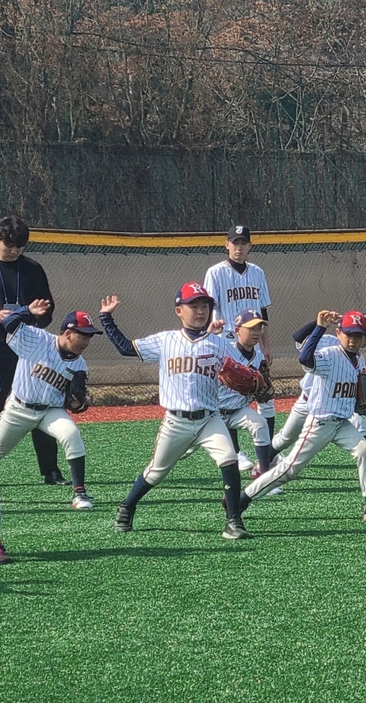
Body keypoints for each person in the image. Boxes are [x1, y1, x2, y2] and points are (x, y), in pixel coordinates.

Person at [99, 283, 250, 539]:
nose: (201, 311)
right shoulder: (165, 340)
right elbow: (126, 347)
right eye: (194, 306)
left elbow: (243, 371)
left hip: (209, 419)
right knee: (156, 473)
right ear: (179, 310)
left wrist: (254, 380)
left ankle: (233, 521)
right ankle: (127, 505)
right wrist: (106, 318)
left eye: (205, 306)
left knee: (230, 460)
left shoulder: (218, 343)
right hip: (176, 422)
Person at [239, 310, 366, 523]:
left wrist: (359, 402)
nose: (353, 340)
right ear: (339, 333)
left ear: (365, 338)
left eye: (358, 336)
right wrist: (319, 328)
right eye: (349, 335)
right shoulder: (330, 355)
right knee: (290, 469)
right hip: (319, 422)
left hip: (342, 423)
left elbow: (353, 397)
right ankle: (244, 498)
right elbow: (306, 359)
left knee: (364, 450)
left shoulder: (359, 361)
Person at [0, 305, 99, 564]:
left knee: (71, 433)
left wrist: (78, 403)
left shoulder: (80, 363)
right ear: (67, 332)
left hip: (50, 411)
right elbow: (9, 325)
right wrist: (26, 310)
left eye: (89, 336)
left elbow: (75, 401)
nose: (87, 341)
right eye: (83, 335)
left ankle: (79, 493)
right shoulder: (37, 339)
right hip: (19, 409)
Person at [0, 216, 66, 485]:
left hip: (26, 350)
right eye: (9, 245)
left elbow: (48, 310)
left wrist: (34, 316)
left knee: (39, 403)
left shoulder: (32, 269)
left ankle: (50, 470)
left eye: (19, 246)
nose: (14, 251)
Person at [204, 225, 274, 469]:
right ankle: (235, 452)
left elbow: (264, 312)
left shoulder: (257, 272)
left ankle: (270, 452)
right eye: (235, 242)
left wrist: (266, 345)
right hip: (226, 343)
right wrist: (213, 333)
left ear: (250, 246)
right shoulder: (215, 273)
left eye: (243, 243)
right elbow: (210, 307)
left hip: (252, 344)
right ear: (226, 244)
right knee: (228, 398)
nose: (239, 247)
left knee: (266, 396)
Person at [214, 310, 271, 473]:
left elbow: (263, 391)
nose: (256, 332)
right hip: (212, 414)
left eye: (259, 328)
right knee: (180, 452)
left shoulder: (259, 357)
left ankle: (264, 476)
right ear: (237, 330)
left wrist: (262, 388)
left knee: (259, 424)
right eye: (251, 328)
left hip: (237, 411)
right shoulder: (223, 351)